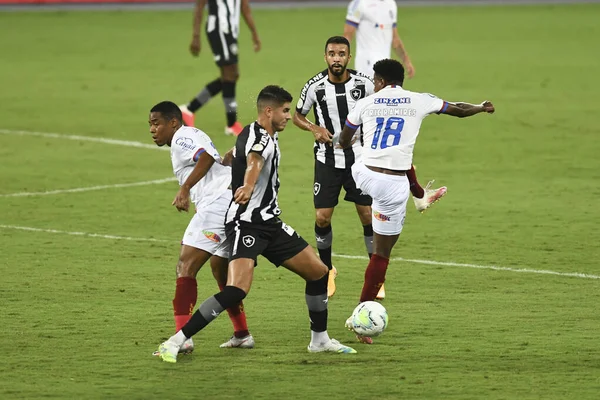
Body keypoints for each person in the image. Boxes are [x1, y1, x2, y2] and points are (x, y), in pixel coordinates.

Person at [157, 86, 357, 363]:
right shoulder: (261, 138)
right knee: (237, 288)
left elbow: (238, 155)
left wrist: (234, 165)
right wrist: (248, 185)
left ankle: (319, 340)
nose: (289, 116)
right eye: (285, 111)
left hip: (270, 223)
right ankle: (177, 340)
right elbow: (255, 160)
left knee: (319, 273)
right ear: (269, 111)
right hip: (246, 224)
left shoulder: (251, 133)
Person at [339, 59, 495, 343]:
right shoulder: (419, 100)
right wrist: (481, 107)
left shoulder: (366, 102)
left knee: (376, 145)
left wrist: (348, 140)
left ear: (379, 81)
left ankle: (420, 195)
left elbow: (344, 138)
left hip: (361, 173)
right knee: (381, 254)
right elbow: (458, 110)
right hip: (392, 187)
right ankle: (359, 314)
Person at [293, 36, 444, 301]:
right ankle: (327, 270)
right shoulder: (314, 86)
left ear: (348, 57)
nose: (336, 58)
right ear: (325, 56)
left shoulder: (364, 84)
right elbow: (297, 115)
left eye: (341, 53)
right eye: (332, 54)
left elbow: (387, 107)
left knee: (366, 214)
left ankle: (375, 275)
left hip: (363, 158)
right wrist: (313, 128)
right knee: (322, 217)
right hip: (327, 159)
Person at [148, 101, 255, 355]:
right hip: (231, 203)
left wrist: (185, 189)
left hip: (217, 206)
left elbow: (206, 158)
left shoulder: (181, 137)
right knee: (220, 270)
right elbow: (217, 160)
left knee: (186, 266)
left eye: (156, 124)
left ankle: (182, 338)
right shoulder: (192, 135)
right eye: (150, 125)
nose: (152, 130)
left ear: (173, 122)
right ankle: (242, 334)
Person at [179, 0, 261, 136]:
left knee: (232, 75)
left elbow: (244, 6)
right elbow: (200, 5)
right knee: (230, 74)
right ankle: (231, 123)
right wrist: (196, 36)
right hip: (219, 29)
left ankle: (189, 109)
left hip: (230, 32)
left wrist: (254, 33)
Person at [343, 0, 415, 80]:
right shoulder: (360, 3)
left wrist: (406, 61)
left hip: (385, 63)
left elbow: (395, 40)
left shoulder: (391, 4)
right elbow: (347, 36)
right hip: (366, 63)